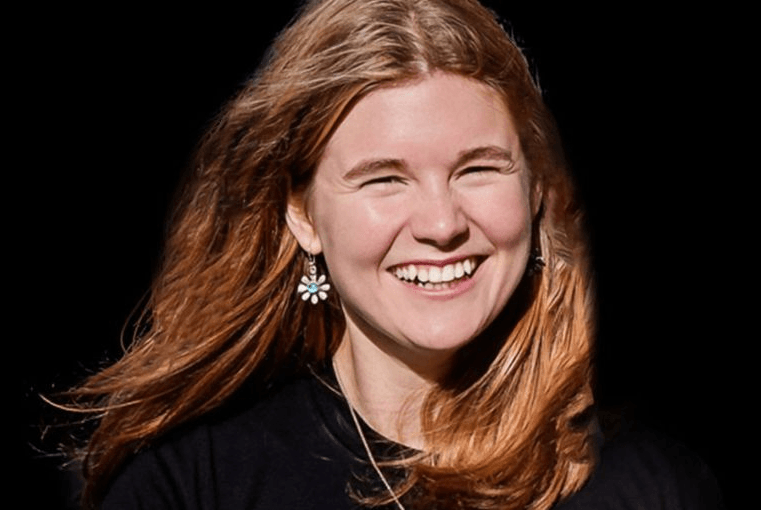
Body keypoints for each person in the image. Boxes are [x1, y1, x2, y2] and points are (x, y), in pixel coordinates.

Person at [62, 1, 723, 509]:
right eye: (385, 178)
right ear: (302, 215)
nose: (441, 224)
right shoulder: (192, 483)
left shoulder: (652, 480)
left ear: (537, 189)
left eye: (478, 169)